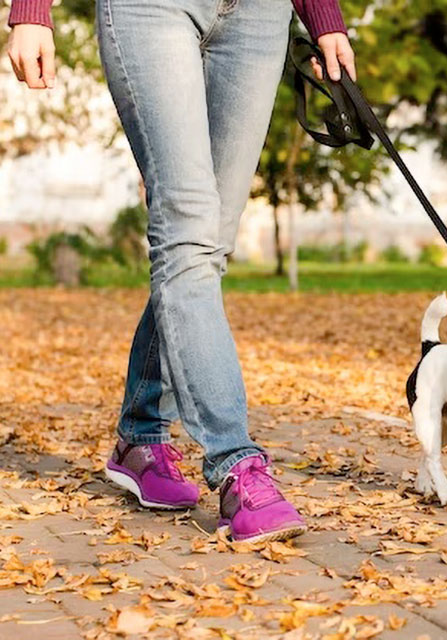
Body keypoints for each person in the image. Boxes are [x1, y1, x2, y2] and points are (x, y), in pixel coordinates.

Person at [6, 0, 357, 543]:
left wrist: (324, 18)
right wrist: (32, 9)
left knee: (208, 246)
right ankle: (236, 464)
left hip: (259, 16)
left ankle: (139, 434)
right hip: (151, 8)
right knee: (188, 234)